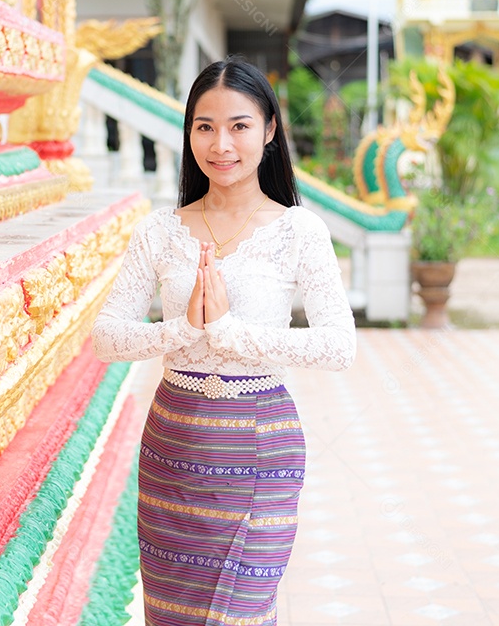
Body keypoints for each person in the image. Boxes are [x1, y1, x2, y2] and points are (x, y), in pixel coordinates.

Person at [91, 56, 357, 626]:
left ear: (269, 130)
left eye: (239, 125)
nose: (221, 144)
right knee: (174, 614)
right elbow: (106, 337)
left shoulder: (298, 231)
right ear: (189, 134)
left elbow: (339, 345)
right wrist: (183, 330)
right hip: (175, 448)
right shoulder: (160, 231)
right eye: (204, 126)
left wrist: (234, 336)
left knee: (241, 612)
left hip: (261, 445)